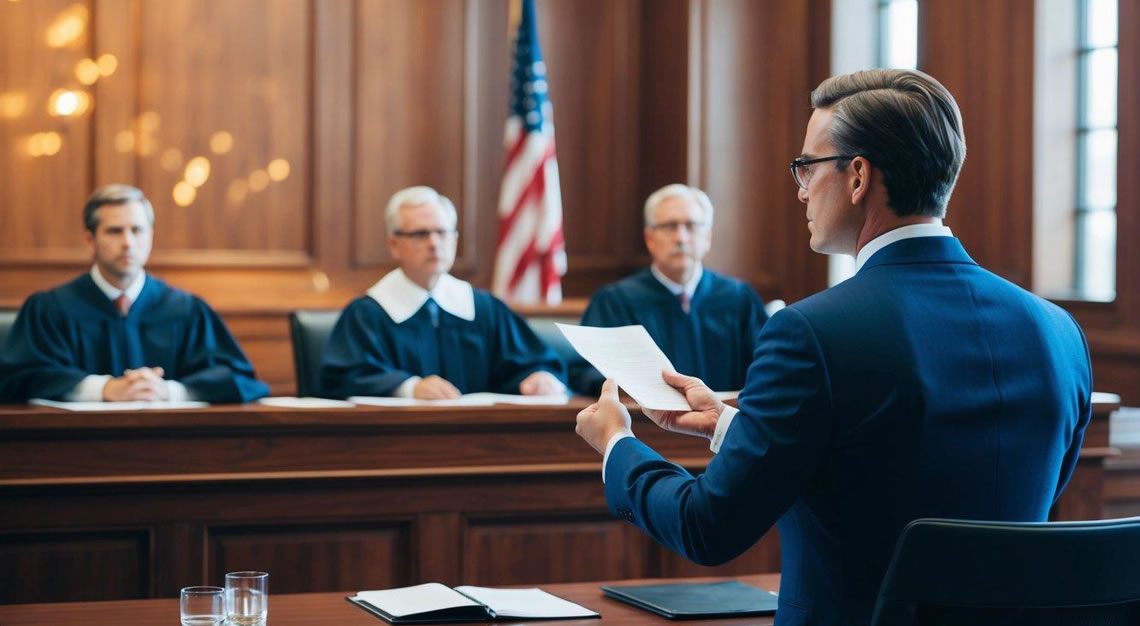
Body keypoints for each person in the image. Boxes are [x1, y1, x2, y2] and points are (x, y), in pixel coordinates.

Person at [573, 69, 1092, 625]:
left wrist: (617, 446)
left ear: (858, 176)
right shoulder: (1058, 330)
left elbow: (708, 526)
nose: (799, 188)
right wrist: (732, 427)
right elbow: (939, 481)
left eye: (806, 167)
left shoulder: (811, 332)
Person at [0, 184, 270, 403]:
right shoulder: (51, 309)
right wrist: (103, 389)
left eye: (137, 230)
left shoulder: (186, 310)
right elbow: (16, 379)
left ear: (150, 236)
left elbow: (241, 379)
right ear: (89, 240)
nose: (128, 243)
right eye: (114, 231)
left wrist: (168, 391)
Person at [319, 186, 565, 399]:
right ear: (394, 245)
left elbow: (532, 361)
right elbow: (342, 378)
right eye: (420, 234)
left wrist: (538, 377)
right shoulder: (368, 314)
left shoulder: (483, 309)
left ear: (455, 239)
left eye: (442, 232)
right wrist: (409, 388)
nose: (434, 243)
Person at [569, 185, 768, 396]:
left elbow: (767, 367)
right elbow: (586, 371)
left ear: (707, 237)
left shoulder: (738, 298)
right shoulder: (615, 301)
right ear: (649, 238)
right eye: (669, 227)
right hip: (643, 425)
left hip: (727, 423)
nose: (681, 238)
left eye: (691, 226)